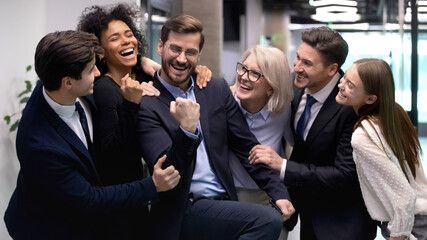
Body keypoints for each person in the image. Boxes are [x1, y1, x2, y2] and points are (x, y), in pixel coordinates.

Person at [3, 30, 180, 240]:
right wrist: (152, 185)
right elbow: (89, 199)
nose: (98, 72)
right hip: (49, 228)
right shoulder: (41, 147)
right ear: (68, 82)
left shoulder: (52, 76)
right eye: (91, 70)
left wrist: (140, 61)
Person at [136, 14, 294, 240]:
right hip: (184, 206)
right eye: (175, 49)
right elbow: (169, 174)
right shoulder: (146, 102)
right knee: (266, 220)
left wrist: (278, 192)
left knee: (271, 219)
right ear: (160, 46)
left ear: (199, 55)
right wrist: (187, 130)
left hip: (224, 203)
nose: (182, 59)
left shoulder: (214, 89)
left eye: (190, 52)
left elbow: (246, 147)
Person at [77, 5, 211, 238]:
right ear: (100, 50)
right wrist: (131, 104)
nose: (126, 41)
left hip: (140, 200)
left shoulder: (137, 75)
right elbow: (110, 153)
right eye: (115, 38)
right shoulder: (106, 89)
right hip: (119, 204)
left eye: (129, 34)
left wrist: (198, 69)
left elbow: (175, 66)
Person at [249, 26, 377, 239]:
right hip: (307, 212)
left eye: (307, 63)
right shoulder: (293, 84)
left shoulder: (353, 104)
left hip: (342, 222)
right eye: (298, 58)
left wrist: (282, 165)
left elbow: (345, 175)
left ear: (331, 69)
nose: (297, 67)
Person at [335, 58, 427, 240]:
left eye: (350, 85)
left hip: (409, 224)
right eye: (344, 78)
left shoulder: (363, 136)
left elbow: (404, 197)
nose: (341, 85)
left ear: (370, 99)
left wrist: (398, 235)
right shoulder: (395, 112)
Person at [229, 45, 294, 239]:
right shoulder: (225, 101)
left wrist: (282, 164)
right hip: (231, 196)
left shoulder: (284, 111)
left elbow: (300, 147)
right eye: (243, 68)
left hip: (270, 196)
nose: (245, 77)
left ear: (271, 86)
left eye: (256, 73)